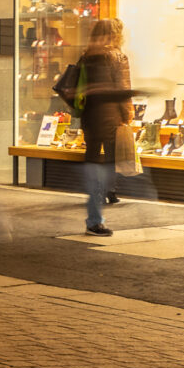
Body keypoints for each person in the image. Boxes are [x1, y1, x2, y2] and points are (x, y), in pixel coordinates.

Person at [71, 18, 133, 237]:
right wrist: (128, 114)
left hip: (89, 117)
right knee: (109, 162)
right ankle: (103, 204)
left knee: (93, 160)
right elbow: (123, 88)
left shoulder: (86, 55)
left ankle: (95, 212)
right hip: (110, 118)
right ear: (115, 34)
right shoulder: (117, 57)